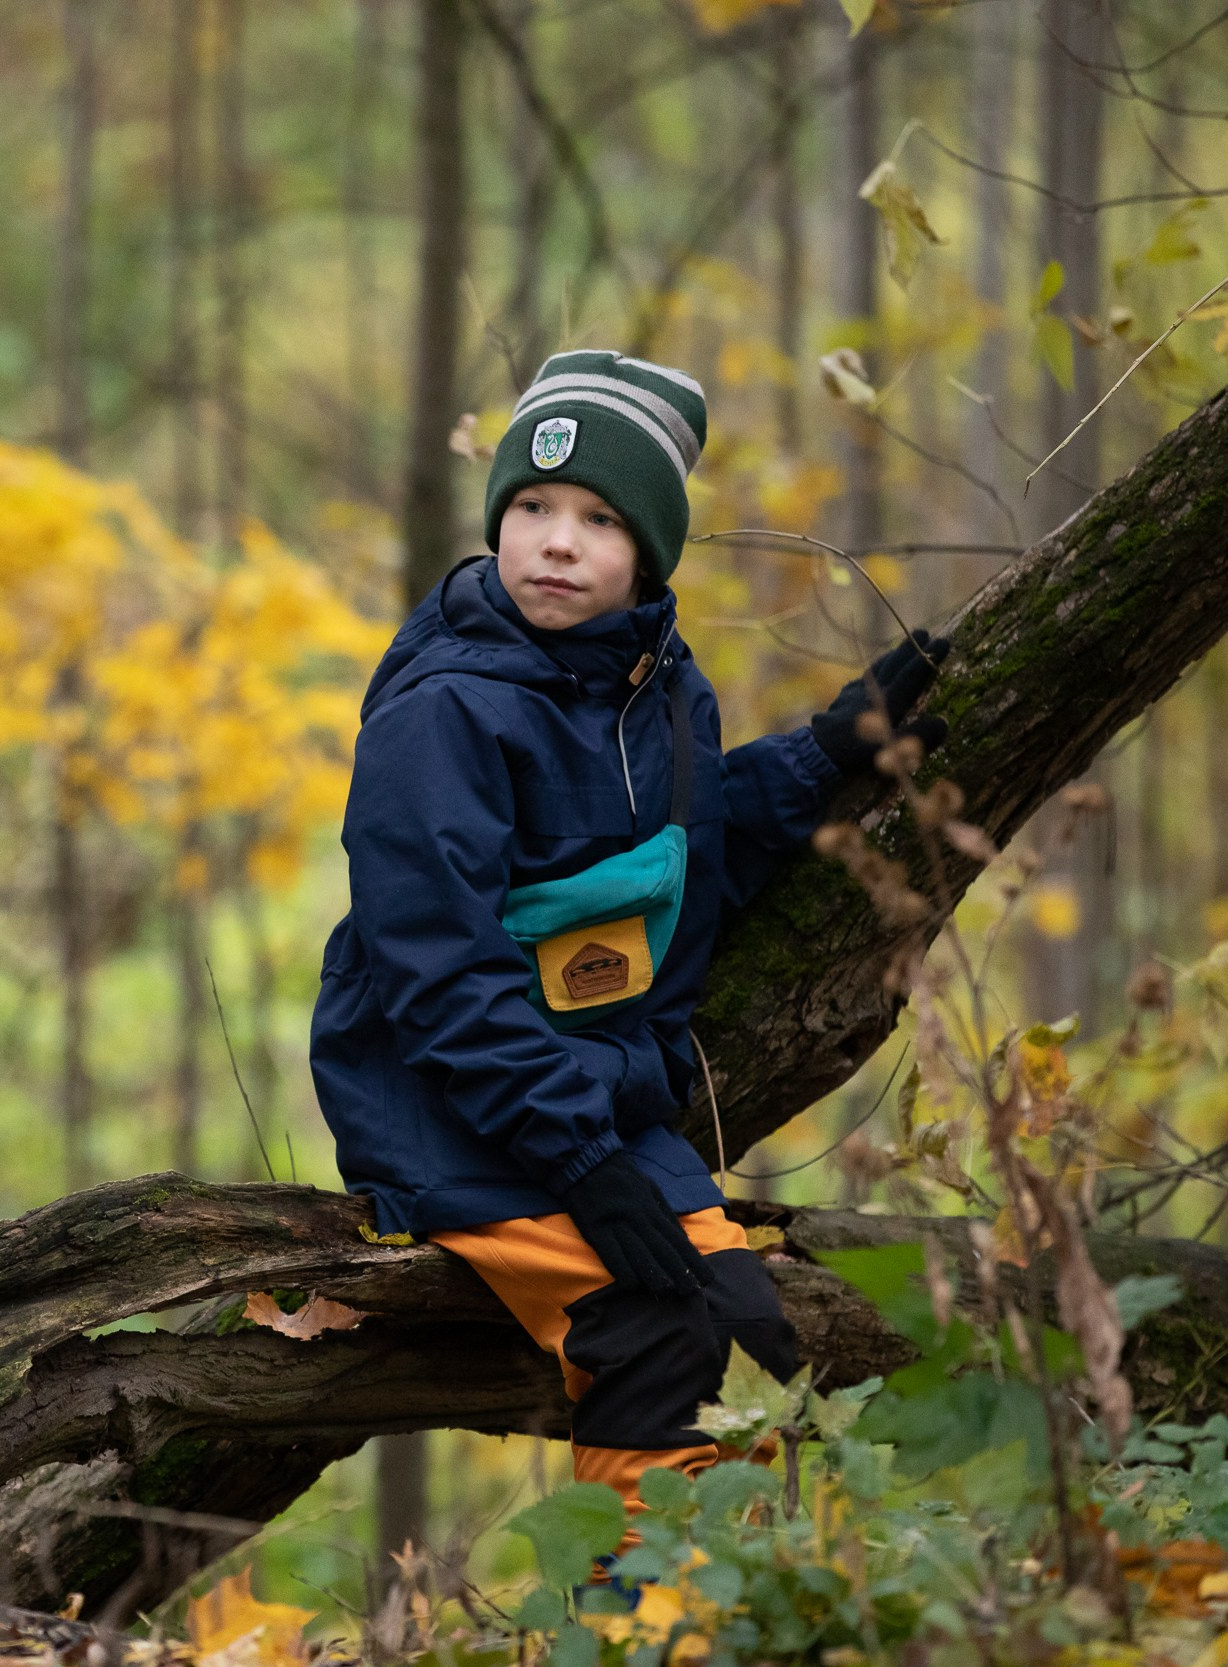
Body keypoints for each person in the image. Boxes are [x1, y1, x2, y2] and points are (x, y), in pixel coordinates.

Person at [309, 349, 949, 1522]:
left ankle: (747, 1589)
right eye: (532, 507)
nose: (557, 542)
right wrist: (580, 1163)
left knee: (753, 1333)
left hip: (589, 1095)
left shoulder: (661, 690)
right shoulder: (444, 709)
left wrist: (822, 754)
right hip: (448, 1104)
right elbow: (433, 966)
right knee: (653, 1334)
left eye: (599, 519)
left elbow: (683, 854)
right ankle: (643, 1605)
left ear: (648, 551)